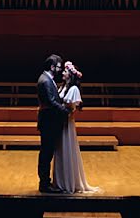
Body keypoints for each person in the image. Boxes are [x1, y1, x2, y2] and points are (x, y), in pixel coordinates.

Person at [53, 61, 102, 194]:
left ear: (70, 75)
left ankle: (68, 182)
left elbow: (70, 108)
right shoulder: (62, 87)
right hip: (60, 123)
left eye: (65, 71)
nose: (63, 73)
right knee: (60, 150)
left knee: (66, 149)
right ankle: (60, 181)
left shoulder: (73, 89)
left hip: (66, 123)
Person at [37, 54, 70, 193]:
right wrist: (65, 111)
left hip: (49, 122)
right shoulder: (45, 81)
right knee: (46, 153)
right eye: (58, 67)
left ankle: (45, 182)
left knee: (47, 152)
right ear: (51, 67)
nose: (59, 70)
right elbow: (51, 101)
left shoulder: (46, 79)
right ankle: (44, 183)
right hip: (48, 122)